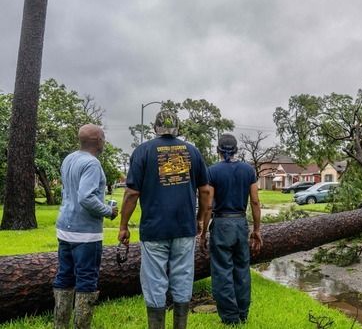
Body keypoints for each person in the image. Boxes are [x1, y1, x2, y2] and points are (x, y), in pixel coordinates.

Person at [118, 110, 210, 329]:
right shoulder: (193, 152)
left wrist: (123, 226)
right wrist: (199, 218)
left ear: (155, 128)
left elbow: (131, 193)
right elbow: (206, 191)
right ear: (178, 128)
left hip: (154, 229)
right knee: (183, 278)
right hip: (184, 228)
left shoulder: (143, 151)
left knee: (154, 281)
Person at [53, 124, 118, 329]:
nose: (104, 141)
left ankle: (60, 325)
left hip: (65, 228)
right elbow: (86, 197)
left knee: (64, 275)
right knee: (87, 280)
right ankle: (82, 326)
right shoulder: (92, 164)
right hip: (85, 234)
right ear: (98, 140)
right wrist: (109, 211)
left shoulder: (69, 159)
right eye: (104, 137)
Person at [200, 133, 262, 325]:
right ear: (236, 149)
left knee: (221, 271)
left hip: (221, 224)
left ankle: (229, 318)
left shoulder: (212, 171)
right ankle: (243, 313)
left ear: (218, 150)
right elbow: (255, 201)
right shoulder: (248, 170)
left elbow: (209, 205)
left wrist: (203, 232)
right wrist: (257, 230)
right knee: (242, 269)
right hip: (241, 224)